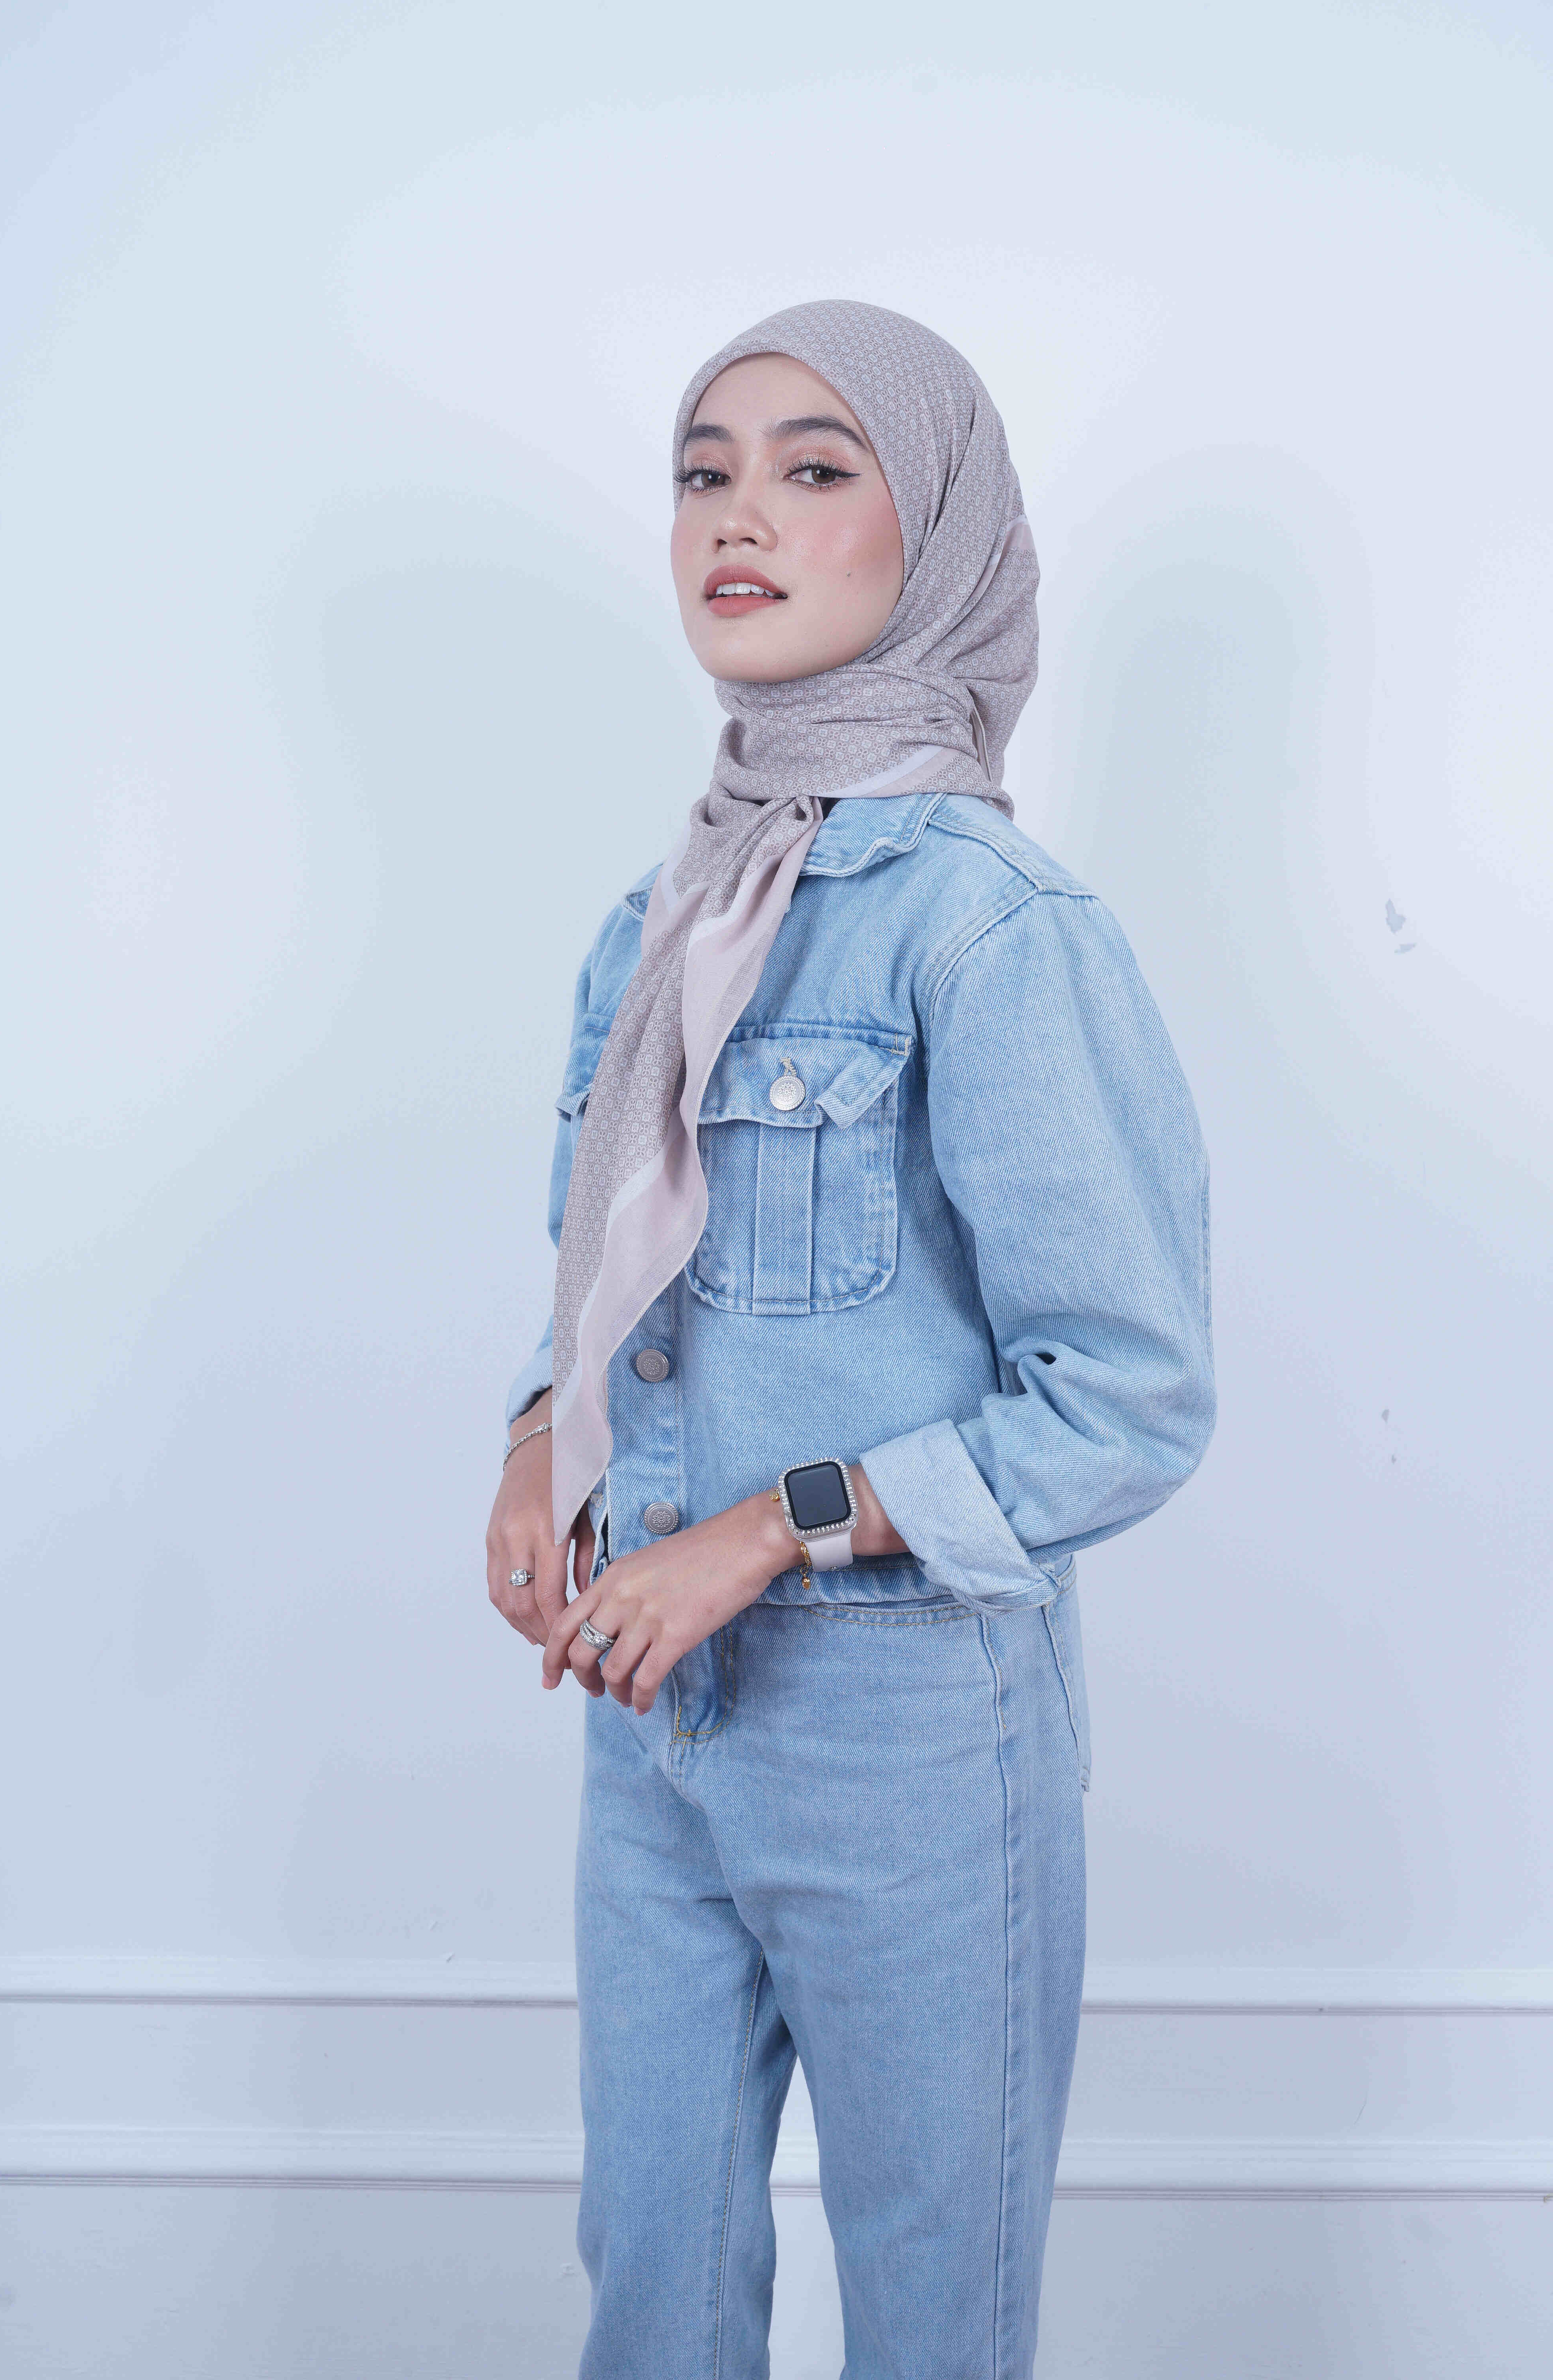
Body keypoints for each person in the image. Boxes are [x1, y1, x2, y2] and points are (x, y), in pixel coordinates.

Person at [486, 299, 1215, 2380]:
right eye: (705, 472)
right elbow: (607, 1279)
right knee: (652, 2286)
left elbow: (1132, 1399)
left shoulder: (991, 931)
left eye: (817, 469)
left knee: (928, 2314)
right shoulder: (659, 922)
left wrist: (769, 1526)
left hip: (909, 1738)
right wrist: (537, 1440)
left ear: (943, 530)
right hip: (654, 1720)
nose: (741, 516)